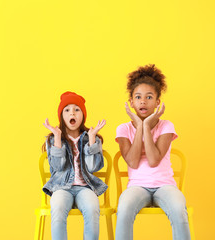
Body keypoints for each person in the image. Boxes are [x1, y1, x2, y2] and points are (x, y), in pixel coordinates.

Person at [115, 64, 191, 240]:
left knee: (179, 209)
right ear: (131, 102)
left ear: (157, 102)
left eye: (149, 97)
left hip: (165, 185)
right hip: (136, 187)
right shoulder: (123, 128)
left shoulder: (166, 126)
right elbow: (132, 162)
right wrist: (140, 126)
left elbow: (154, 160)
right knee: (124, 207)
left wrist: (146, 125)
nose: (143, 101)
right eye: (138, 97)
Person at [42, 91, 107, 240]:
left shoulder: (92, 137)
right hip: (61, 187)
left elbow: (93, 168)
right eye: (67, 110)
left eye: (77, 109)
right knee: (57, 208)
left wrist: (91, 140)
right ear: (62, 116)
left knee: (92, 208)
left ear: (83, 115)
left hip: (85, 187)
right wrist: (57, 138)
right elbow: (58, 167)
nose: (72, 113)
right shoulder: (54, 139)